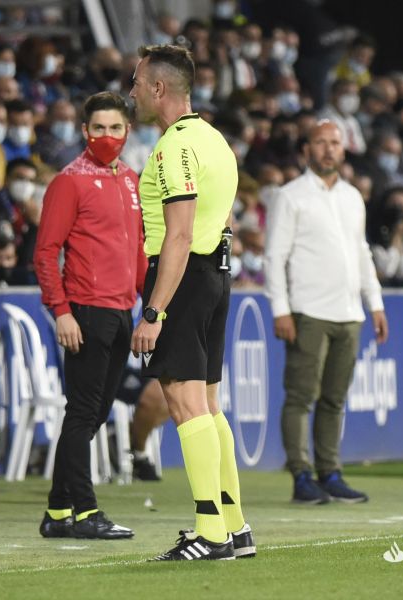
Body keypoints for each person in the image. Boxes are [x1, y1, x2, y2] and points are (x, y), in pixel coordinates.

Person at [129, 44, 254, 561]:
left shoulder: (175, 148)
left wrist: (154, 311)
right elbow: (222, 222)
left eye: (138, 82)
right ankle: (234, 526)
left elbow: (178, 236)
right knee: (208, 405)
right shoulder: (215, 141)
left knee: (183, 403)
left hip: (183, 276)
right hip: (215, 276)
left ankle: (210, 531)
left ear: (159, 88)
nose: (132, 91)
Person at [34, 91, 145, 540]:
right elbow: (46, 252)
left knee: (94, 415)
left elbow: (137, 252)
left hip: (122, 311)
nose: (106, 136)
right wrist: (61, 312)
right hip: (87, 310)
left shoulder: (131, 180)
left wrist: (152, 307)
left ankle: (58, 510)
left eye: (115, 128)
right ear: (84, 131)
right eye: (98, 128)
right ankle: (85, 511)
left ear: (127, 131)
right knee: (83, 413)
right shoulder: (69, 182)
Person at [264, 121, 389, 505]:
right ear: (307, 150)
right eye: (320, 142)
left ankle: (330, 472)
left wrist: (375, 302)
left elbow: (361, 252)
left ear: (343, 149)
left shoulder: (352, 196)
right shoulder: (290, 196)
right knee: (301, 396)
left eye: (334, 142)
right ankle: (301, 475)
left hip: (349, 313)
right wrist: (281, 309)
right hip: (309, 311)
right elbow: (274, 256)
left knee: (334, 399)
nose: (328, 149)